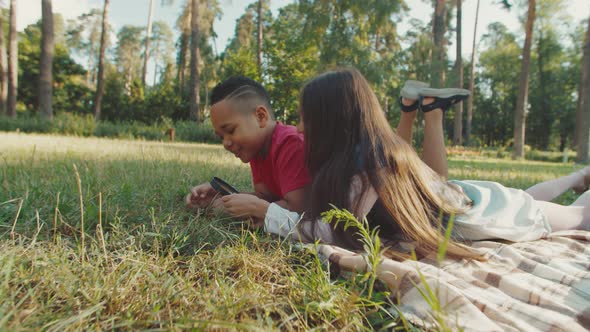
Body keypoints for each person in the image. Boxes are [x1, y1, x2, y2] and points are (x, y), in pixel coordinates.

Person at [260, 67, 590, 260]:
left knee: (578, 217)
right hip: (470, 199)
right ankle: (578, 176)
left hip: (490, 210)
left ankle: (581, 178)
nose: (300, 128)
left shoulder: (369, 170)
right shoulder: (365, 158)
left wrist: (266, 214)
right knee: (527, 195)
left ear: (332, 123)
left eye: (306, 119)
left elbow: (331, 232)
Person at [185, 77, 310, 223]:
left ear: (260, 117)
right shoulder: (257, 149)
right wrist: (224, 197)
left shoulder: (291, 144)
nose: (225, 143)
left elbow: (298, 211)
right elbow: (266, 196)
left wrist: (240, 211)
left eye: (231, 130)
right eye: (221, 137)